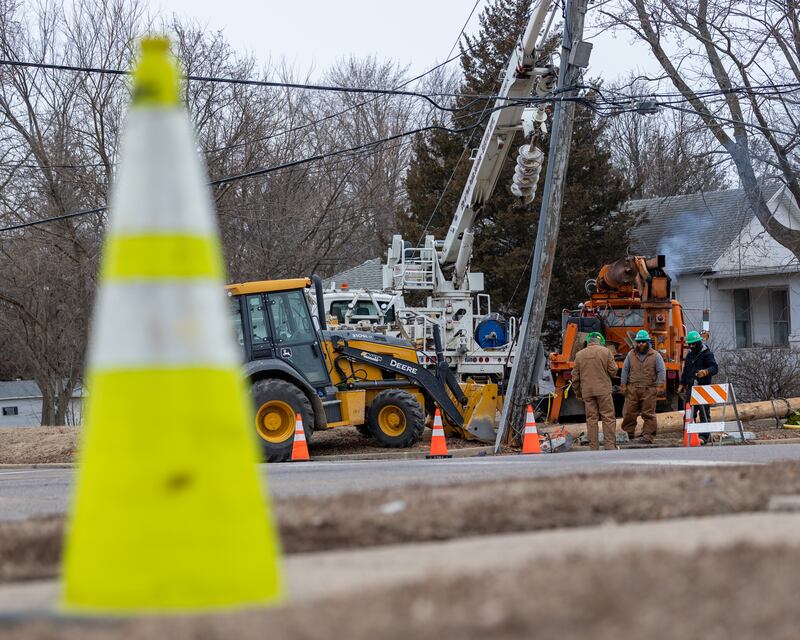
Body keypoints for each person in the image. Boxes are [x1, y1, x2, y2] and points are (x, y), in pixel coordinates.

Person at [572, 332, 617, 451]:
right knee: (608, 417)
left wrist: (578, 393)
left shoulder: (579, 355)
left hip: (587, 391)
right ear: (600, 341)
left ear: (588, 342)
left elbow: (575, 378)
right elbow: (613, 371)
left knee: (591, 419)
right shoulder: (606, 352)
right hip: (603, 391)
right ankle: (610, 445)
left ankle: (594, 447)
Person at [620, 329, 666, 444]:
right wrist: (623, 385)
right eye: (638, 342)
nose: (640, 344)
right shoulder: (630, 355)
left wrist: (660, 385)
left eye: (643, 342)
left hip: (649, 390)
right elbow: (625, 370)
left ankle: (648, 436)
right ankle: (628, 434)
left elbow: (661, 371)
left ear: (648, 342)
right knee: (629, 413)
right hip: (632, 389)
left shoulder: (656, 356)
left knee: (648, 414)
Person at [678, 330, 719, 443]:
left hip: (703, 387)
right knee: (689, 413)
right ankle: (689, 434)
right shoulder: (690, 355)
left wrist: (705, 372)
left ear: (698, 342)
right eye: (689, 344)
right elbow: (686, 371)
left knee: (704, 413)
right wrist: (682, 383)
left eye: (693, 344)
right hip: (691, 387)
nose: (691, 346)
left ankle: (704, 437)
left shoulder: (707, 354)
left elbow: (714, 368)